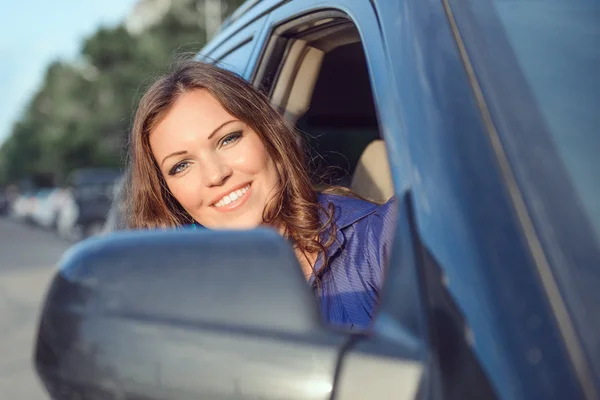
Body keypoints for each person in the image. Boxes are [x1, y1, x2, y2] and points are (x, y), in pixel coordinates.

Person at [124, 59, 397, 329]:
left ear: (268, 135)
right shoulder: (174, 303)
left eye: (228, 139)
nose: (215, 175)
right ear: (167, 194)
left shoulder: (384, 241)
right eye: (181, 166)